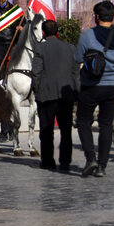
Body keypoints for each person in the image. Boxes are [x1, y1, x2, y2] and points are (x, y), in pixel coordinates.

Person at [75, 0, 114, 178]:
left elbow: (77, 58)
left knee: (83, 121)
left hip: (91, 85)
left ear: (96, 16)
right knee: (106, 124)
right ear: (112, 16)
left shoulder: (87, 35)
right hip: (113, 85)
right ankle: (102, 166)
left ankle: (90, 158)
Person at [31, 19, 79, 171]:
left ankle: (47, 160)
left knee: (46, 130)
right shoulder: (71, 48)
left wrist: (36, 90)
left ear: (43, 33)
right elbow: (75, 72)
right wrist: (76, 92)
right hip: (66, 94)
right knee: (66, 130)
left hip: (46, 94)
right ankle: (65, 161)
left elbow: (36, 73)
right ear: (57, 32)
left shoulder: (40, 48)